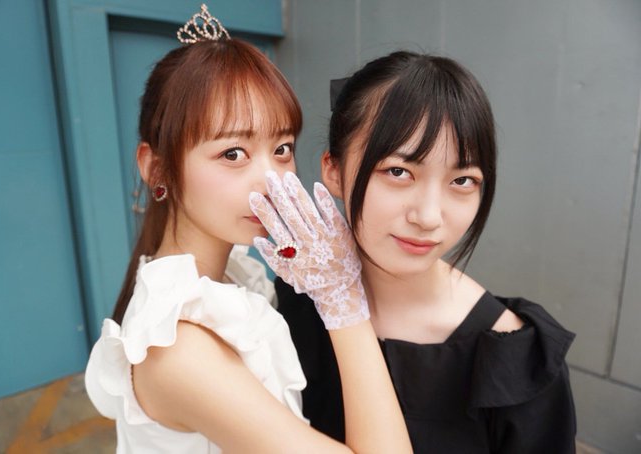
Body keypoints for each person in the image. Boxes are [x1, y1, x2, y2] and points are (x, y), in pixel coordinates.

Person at [85, 5, 411, 453]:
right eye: (233, 154)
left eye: (282, 148)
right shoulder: (178, 349)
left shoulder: (231, 276)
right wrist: (343, 304)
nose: (272, 180)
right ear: (156, 168)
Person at [276, 51, 578, 453]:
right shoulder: (300, 300)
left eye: (463, 180)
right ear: (333, 170)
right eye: (398, 172)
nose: (429, 217)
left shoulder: (518, 359)